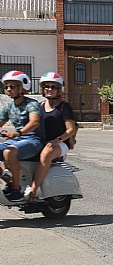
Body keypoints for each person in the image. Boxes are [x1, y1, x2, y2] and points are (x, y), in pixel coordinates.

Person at [24, 72, 76, 202]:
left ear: (59, 89)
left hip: (61, 143)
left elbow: (71, 129)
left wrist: (56, 140)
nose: (49, 89)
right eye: (47, 86)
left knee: (45, 154)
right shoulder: (39, 106)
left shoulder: (64, 107)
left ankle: (33, 192)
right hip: (43, 141)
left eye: (53, 87)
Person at [0, 71, 44, 201]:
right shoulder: (9, 106)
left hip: (34, 140)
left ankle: (16, 189)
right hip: (18, 140)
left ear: (22, 87)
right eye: (6, 86)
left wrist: (18, 132)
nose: (8, 89)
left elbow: (34, 122)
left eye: (12, 86)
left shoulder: (32, 104)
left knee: (9, 152)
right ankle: (8, 179)